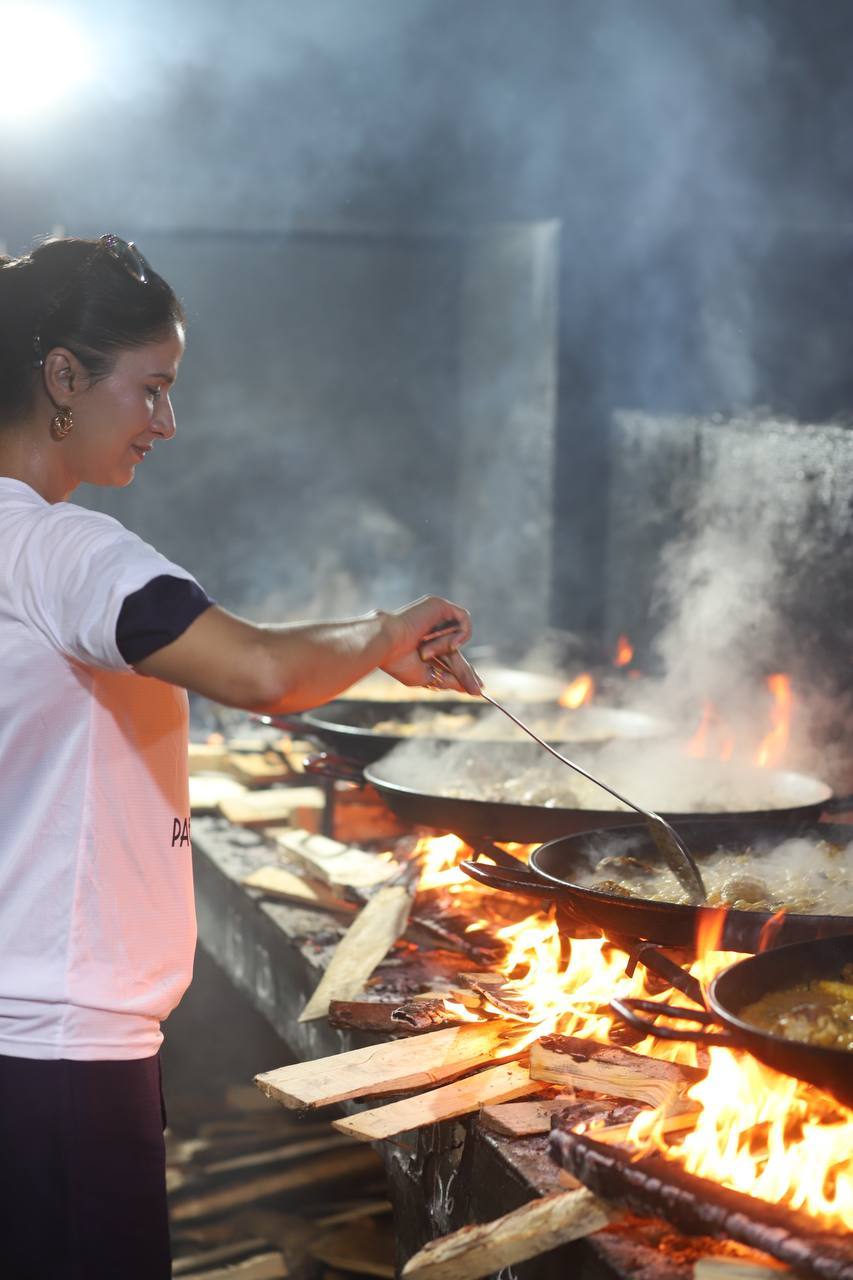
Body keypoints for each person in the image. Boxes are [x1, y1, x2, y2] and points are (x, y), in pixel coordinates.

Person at [0, 233, 480, 1280]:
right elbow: (258, 668)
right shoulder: (62, 551)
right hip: (57, 1054)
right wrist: (387, 630)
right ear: (64, 376)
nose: (168, 422)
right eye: (154, 388)